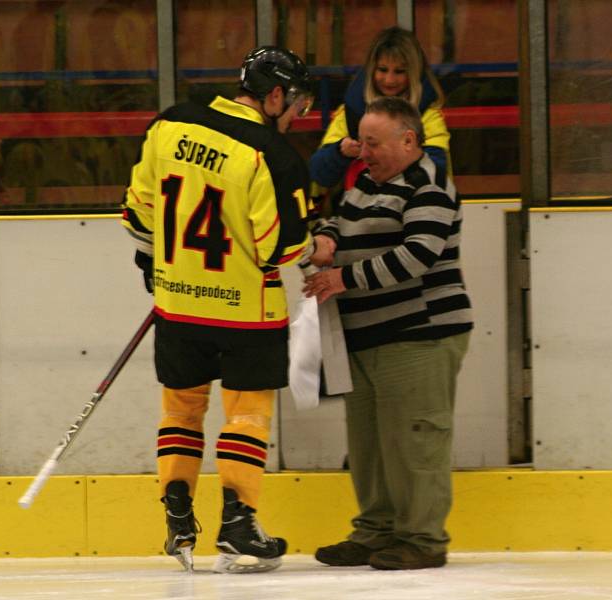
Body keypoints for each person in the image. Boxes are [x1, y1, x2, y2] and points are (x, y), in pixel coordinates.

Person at [122, 46, 318, 574]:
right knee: (247, 414)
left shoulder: (169, 125)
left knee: (180, 411)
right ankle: (238, 523)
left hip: (178, 306)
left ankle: (179, 519)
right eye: (297, 102)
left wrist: (151, 265)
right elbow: (279, 249)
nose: (299, 114)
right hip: (245, 312)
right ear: (274, 95)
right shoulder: (272, 156)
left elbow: (139, 210)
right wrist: (316, 249)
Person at [304, 96, 473, 571]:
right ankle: (376, 530)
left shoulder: (429, 186)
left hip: (419, 334)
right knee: (371, 445)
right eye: (361, 142)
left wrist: (342, 278)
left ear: (408, 140)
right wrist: (327, 239)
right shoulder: (365, 186)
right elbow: (342, 222)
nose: (363, 151)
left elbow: (418, 254)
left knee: (416, 441)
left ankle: (422, 539)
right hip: (367, 338)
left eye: (373, 143)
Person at [309, 26, 451, 200]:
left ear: (414, 74)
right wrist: (340, 152)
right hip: (356, 215)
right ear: (371, 70)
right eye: (382, 70)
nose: (389, 80)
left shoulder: (427, 116)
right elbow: (319, 175)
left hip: (408, 212)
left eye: (399, 72)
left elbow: (436, 174)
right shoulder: (350, 113)